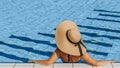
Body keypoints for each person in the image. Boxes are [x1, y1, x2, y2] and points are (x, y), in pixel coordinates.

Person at [28, 20, 115, 66]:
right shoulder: (81, 53)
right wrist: (110, 61)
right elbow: (96, 64)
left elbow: (47, 63)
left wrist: (34, 60)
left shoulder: (60, 51)